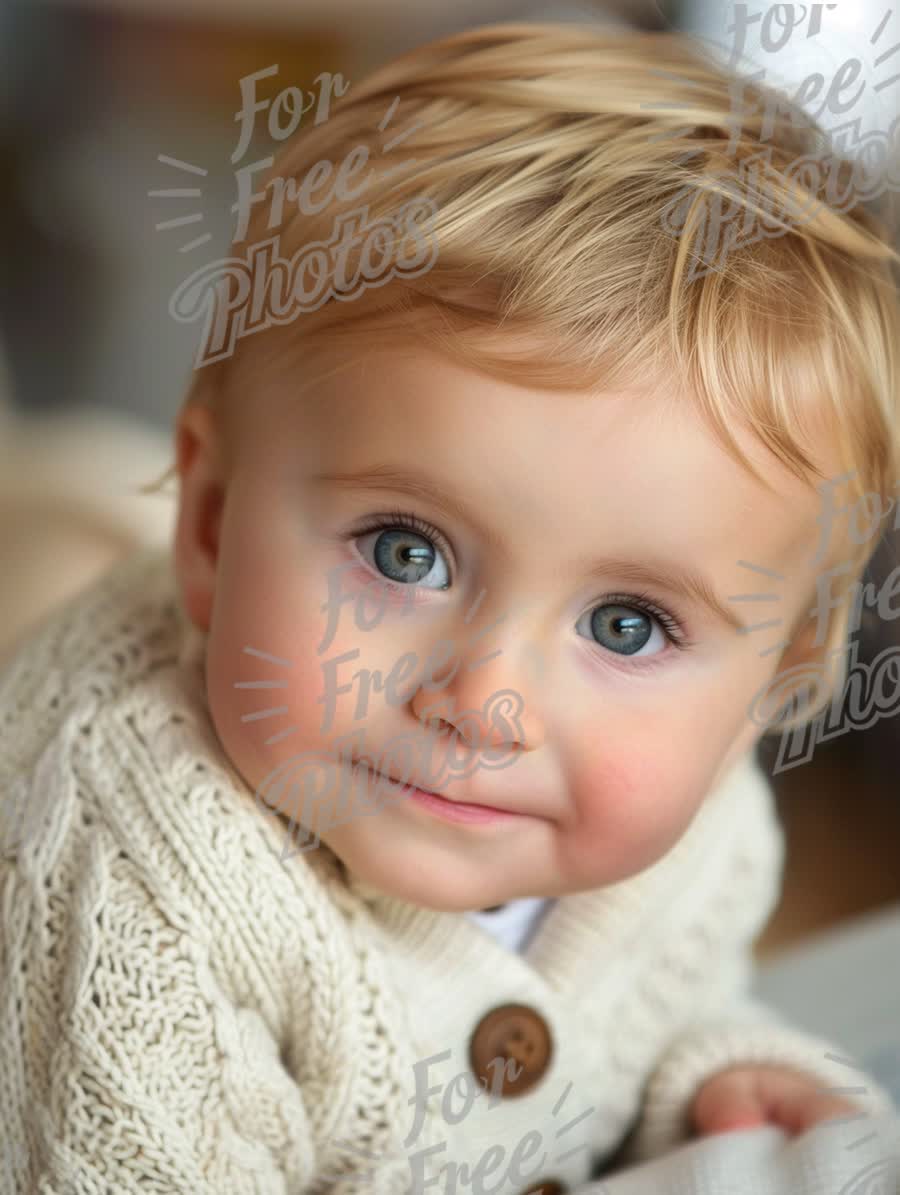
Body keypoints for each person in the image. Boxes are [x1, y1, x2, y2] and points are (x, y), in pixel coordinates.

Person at [2, 21, 898, 1195]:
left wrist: (711, 1074)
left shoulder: (690, 825)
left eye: (627, 625)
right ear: (212, 520)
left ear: (769, 685)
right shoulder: (132, 900)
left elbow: (654, 1002)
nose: (486, 701)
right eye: (406, 550)